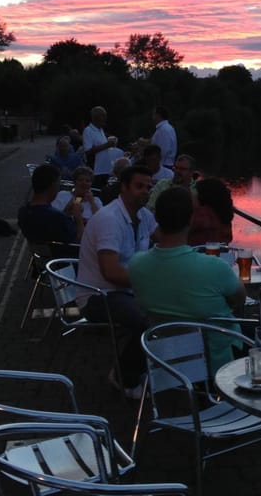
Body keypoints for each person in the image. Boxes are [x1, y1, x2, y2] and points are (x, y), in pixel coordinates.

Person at [129, 186, 245, 372]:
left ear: (156, 218)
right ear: (191, 220)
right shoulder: (215, 268)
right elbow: (240, 299)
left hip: (164, 360)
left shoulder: (136, 265)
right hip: (218, 367)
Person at [76, 164, 156, 398]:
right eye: (139, 186)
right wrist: (150, 282)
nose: (145, 191)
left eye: (148, 187)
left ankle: (157, 365)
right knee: (146, 321)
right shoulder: (110, 220)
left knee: (169, 309)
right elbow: (110, 272)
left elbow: (166, 239)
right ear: (124, 187)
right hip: (98, 294)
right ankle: (123, 378)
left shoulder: (144, 215)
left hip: (125, 291)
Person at [17, 163, 84, 244]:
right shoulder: (57, 218)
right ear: (53, 186)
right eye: (58, 185)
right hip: (62, 254)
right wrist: (79, 218)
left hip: (40, 254)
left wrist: (66, 213)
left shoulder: (23, 212)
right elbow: (79, 241)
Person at [187, 178, 234, 246]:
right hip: (220, 252)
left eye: (195, 192)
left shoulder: (201, 215)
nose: (192, 194)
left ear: (203, 195)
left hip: (197, 253)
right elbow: (229, 238)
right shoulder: (224, 213)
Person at [82, 106, 118, 189]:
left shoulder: (101, 130)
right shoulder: (88, 131)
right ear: (95, 117)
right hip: (95, 171)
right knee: (91, 192)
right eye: (103, 116)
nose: (105, 118)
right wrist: (107, 145)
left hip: (105, 170)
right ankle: (77, 202)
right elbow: (88, 151)